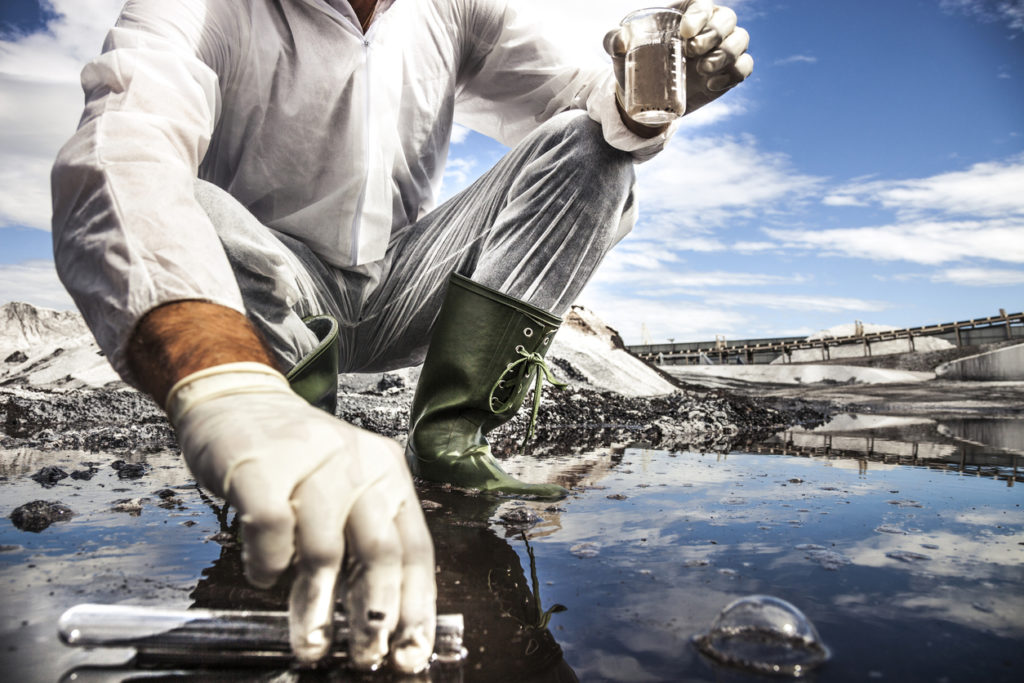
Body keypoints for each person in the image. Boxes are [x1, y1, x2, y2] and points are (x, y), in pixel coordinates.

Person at [50, 0, 751, 672]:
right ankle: (292, 443)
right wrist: (227, 388)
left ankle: (450, 439)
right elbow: (124, 145)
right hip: (275, 294)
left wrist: (644, 96)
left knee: (590, 143)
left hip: (403, 285)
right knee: (192, 199)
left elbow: (585, 96)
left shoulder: (453, 8)